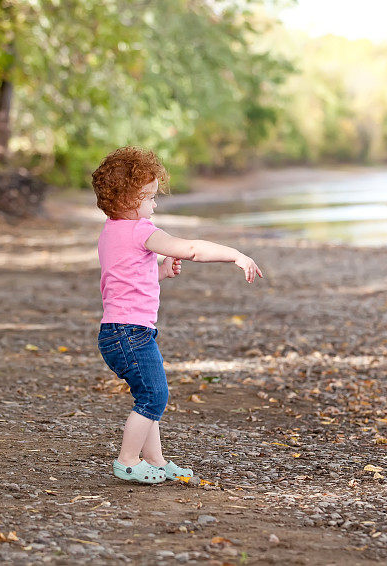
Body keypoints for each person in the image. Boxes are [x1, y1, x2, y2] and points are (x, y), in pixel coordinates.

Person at [92, 146, 263, 484]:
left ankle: (154, 461)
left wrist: (161, 273)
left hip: (116, 332)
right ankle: (127, 460)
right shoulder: (141, 230)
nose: (154, 205)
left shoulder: (110, 232)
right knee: (155, 395)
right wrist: (235, 255)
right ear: (128, 200)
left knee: (147, 395)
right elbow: (191, 248)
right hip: (130, 332)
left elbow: (128, 278)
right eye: (149, 197)